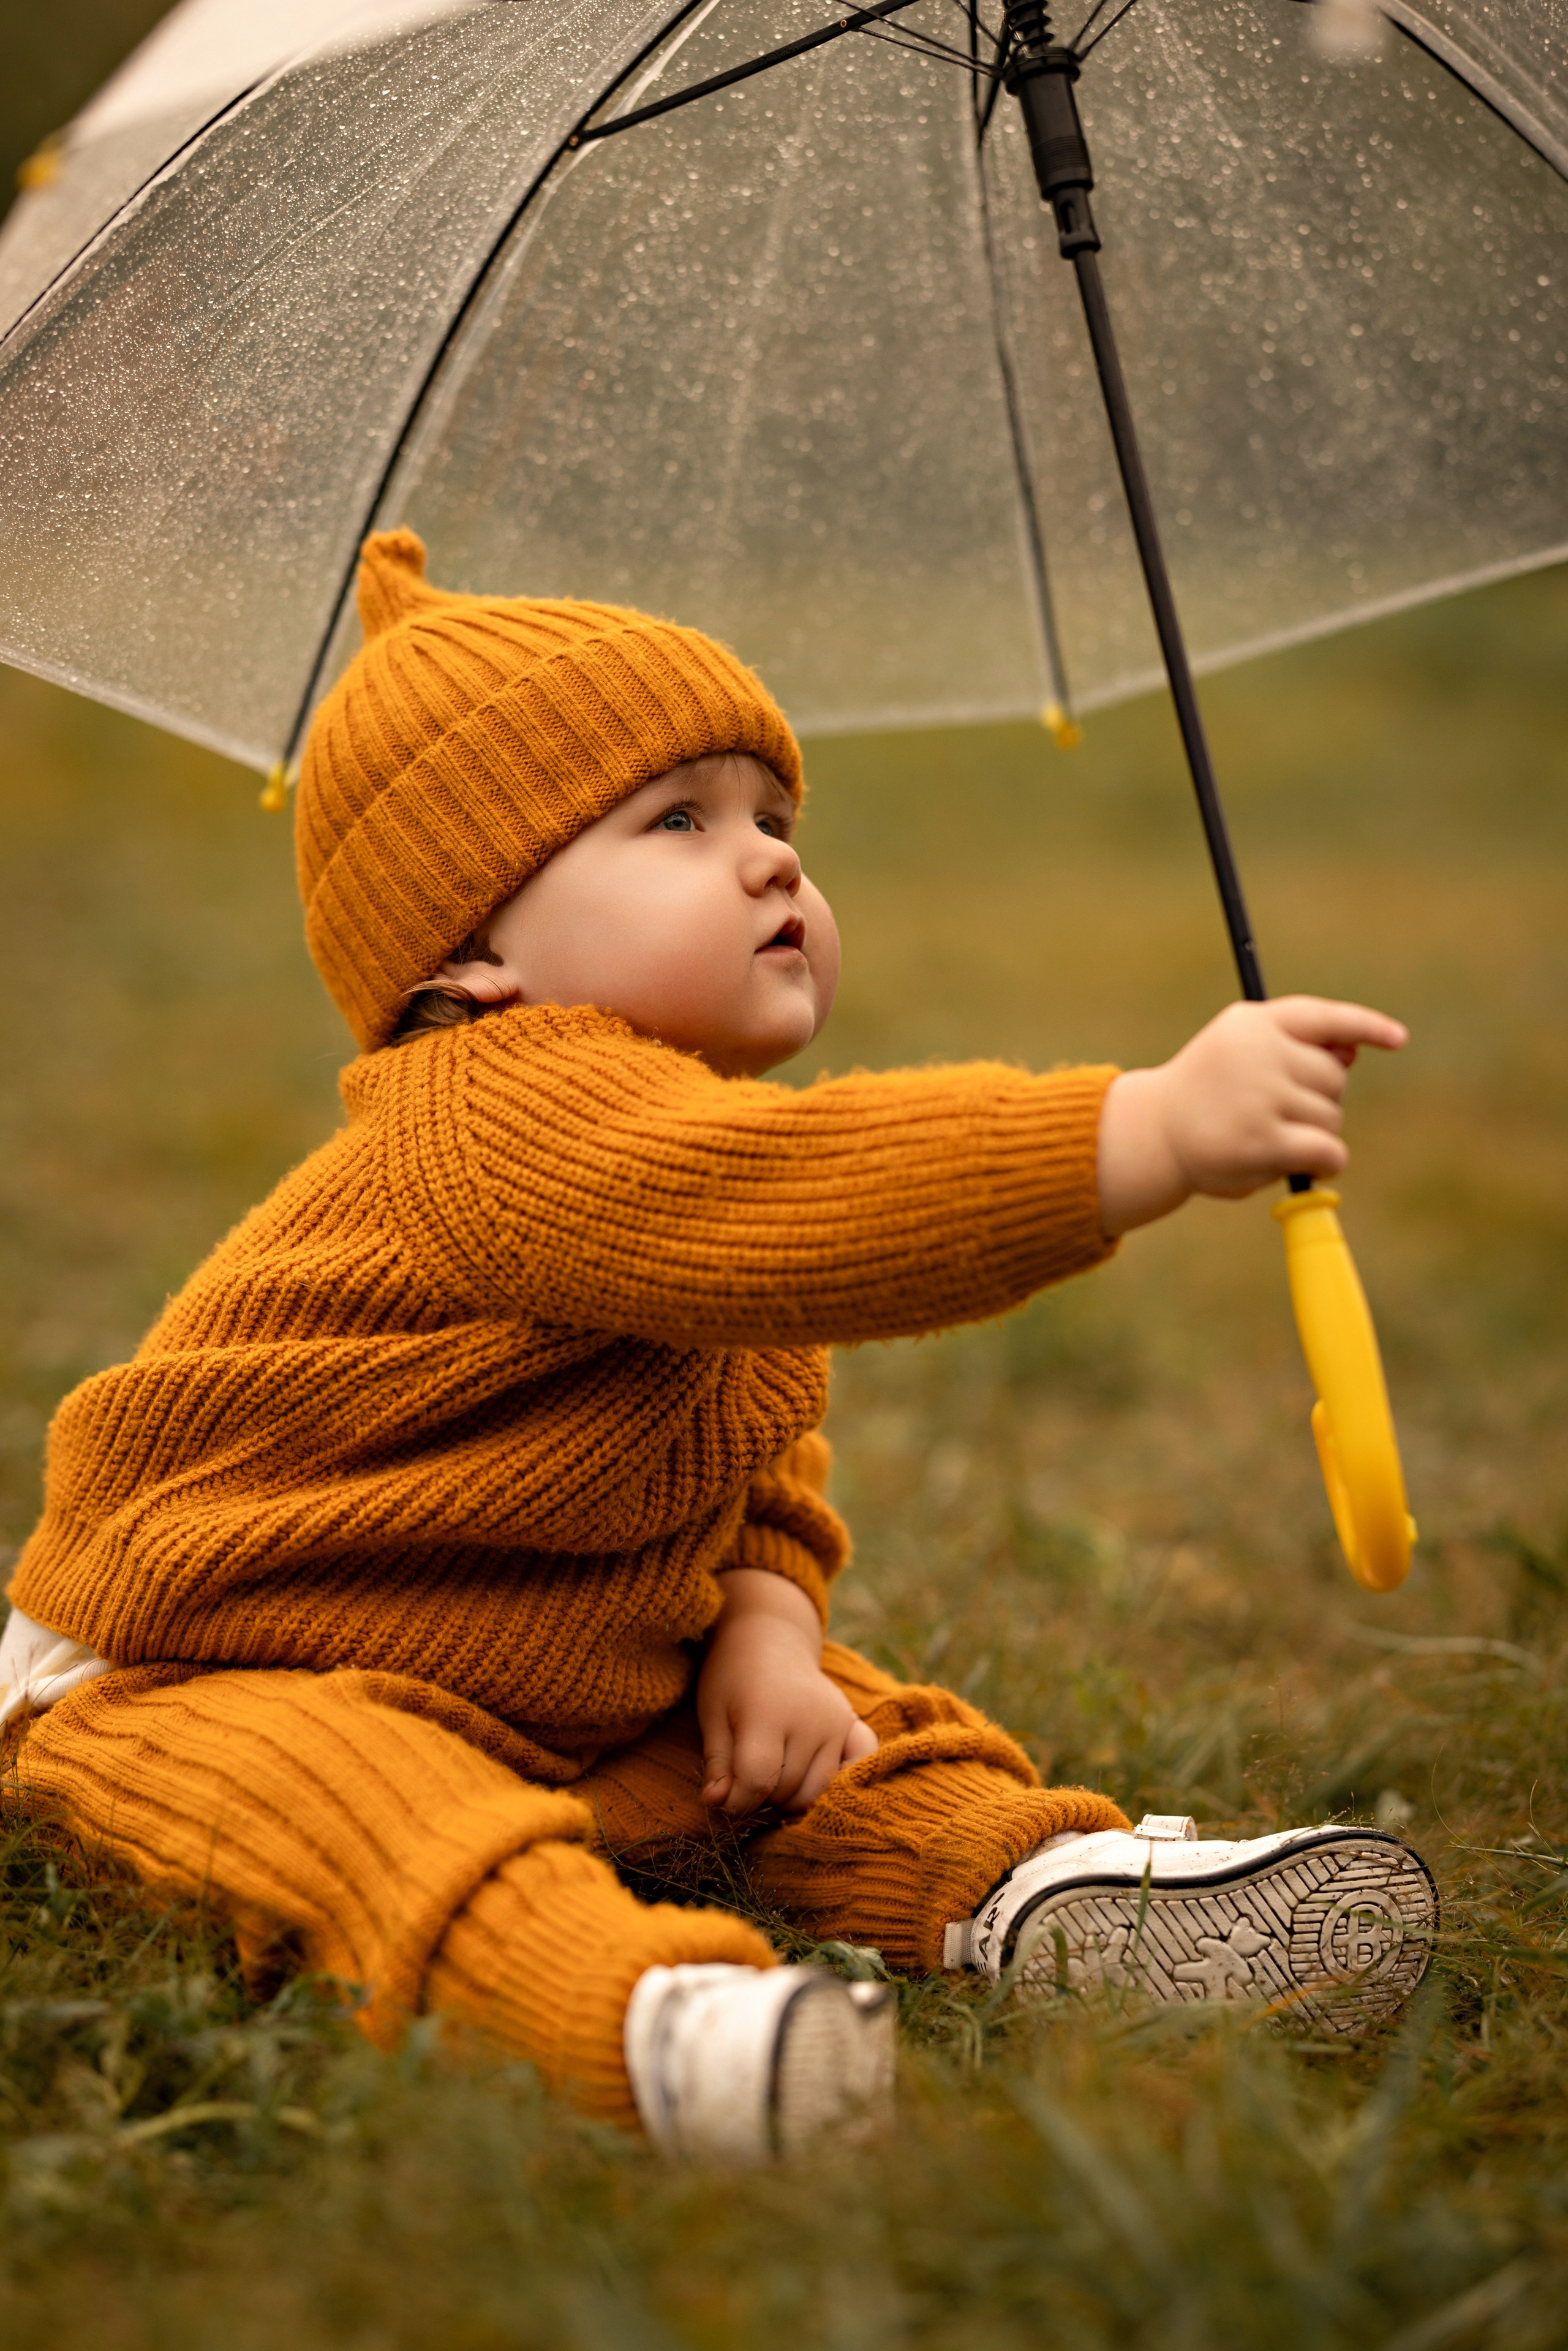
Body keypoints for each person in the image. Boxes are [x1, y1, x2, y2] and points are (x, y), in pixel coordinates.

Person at [0, 534, 1436, 2162]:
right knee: (377, 1817)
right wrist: (1146, 1131)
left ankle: (1038, 1887)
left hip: (560, 1673)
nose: (769, 864)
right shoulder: (501, 1113)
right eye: (678, 822)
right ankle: (656, 2025)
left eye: (775, 822)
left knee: (813, 1736)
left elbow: (753, 1447)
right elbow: (793, 1202)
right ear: (473, 958)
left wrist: (763, 1615)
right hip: (208, 1672)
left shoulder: (673, 1152)